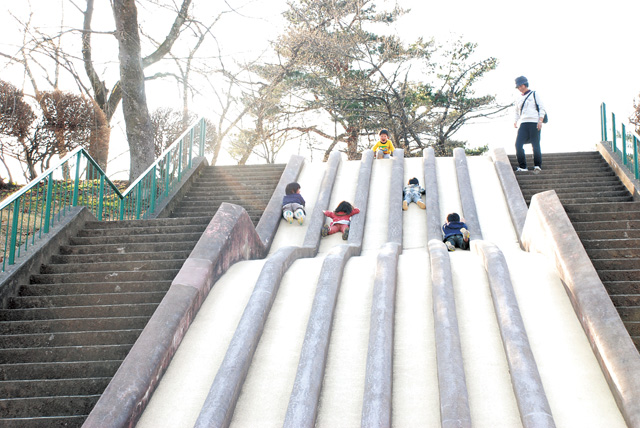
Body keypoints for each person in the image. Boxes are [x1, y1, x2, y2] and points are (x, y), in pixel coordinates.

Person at [514, 76, 546, 173]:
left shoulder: (534, 94)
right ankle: (523, 166)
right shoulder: (518, 98)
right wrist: (515, 121)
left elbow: (542, 108)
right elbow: (516, 111)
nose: (520, 87)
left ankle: (537, 165)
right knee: (518, 144)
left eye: (521, 85)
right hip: (523, 123)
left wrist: (540, 121)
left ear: (525, 84)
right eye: (518, 86)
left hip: (534, 122)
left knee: (535, 144)